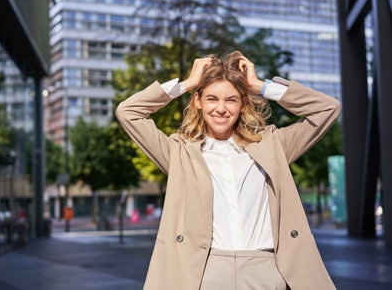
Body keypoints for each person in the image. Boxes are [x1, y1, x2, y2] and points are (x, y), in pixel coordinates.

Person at [116, 51, 340, 290]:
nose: (221, 108)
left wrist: (260, 86)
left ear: (243, 104)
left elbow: (327, 109)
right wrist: (187, 84)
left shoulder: (274, 144)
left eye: (231, 99)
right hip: (205, 273)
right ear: (198, 102)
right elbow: (128, 112)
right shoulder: (179, 153)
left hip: (266, 270)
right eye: (212, 99)